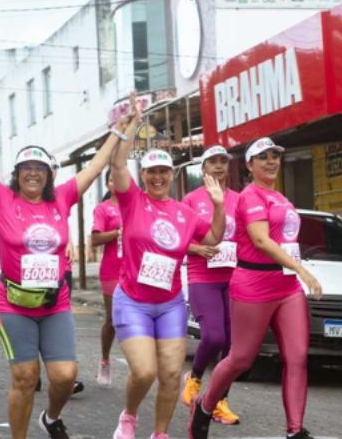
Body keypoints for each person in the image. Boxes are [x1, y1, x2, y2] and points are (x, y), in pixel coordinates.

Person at [0, 87, 122, 439]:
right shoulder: (0, 198)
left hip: (54, 302)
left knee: (65, 377)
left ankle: (50, 417)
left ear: (50, 175)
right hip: (13, 302)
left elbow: (96, 166)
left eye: (40, 168)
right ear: (17, 173)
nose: (33, 173)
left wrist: (119, 131)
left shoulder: (62, 198)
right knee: (24, 377)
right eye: (27, 168)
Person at [188, 138, 322, 439]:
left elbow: (285, 239)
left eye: (275, 155)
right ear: (249, 165)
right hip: (254, 284)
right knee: (241, 359)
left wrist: (296, 270)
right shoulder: (250, 196)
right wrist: (302, 269)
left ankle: (295, 430)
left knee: (297, 357)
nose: (271, 161)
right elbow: (260, 240)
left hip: (287, 286)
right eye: (263, 157)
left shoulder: (281, 198)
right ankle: (205, 406)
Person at [110, 104, 226, 439]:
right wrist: (131, 126)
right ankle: (129, 416)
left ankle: (160, 433)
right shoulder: (132, 201)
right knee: (145, 372)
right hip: (132, 301)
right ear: (143, 176)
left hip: (170, 303)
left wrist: (218, 205)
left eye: (164, 171)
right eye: (151, 172)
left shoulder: (184, 213)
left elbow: (213, 238)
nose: (158, 177)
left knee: (172, 374)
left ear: (172, 175)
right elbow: (117, 164)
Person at [179, 146, 241, 425]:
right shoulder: (191, 200)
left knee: (232, 344)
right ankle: (194, 378)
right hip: (203, 278)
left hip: (234, 278)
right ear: (203, 167)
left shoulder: (239, 199)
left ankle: (218, 401)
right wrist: (196, 249)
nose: (218, 166)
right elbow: (176, 239)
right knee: (214, 337)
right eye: (212, 162)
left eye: (222, 162)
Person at [90, 170, 123, 387]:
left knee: (135, 319)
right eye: (112, 179)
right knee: (112, 321)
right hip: (112, 271)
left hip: (136, 271)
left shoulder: (137, 205)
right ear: (107, 184)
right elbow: (95, 239)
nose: (116, 183)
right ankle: (105, 360)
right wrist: (117, 233)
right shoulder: (103, 209)